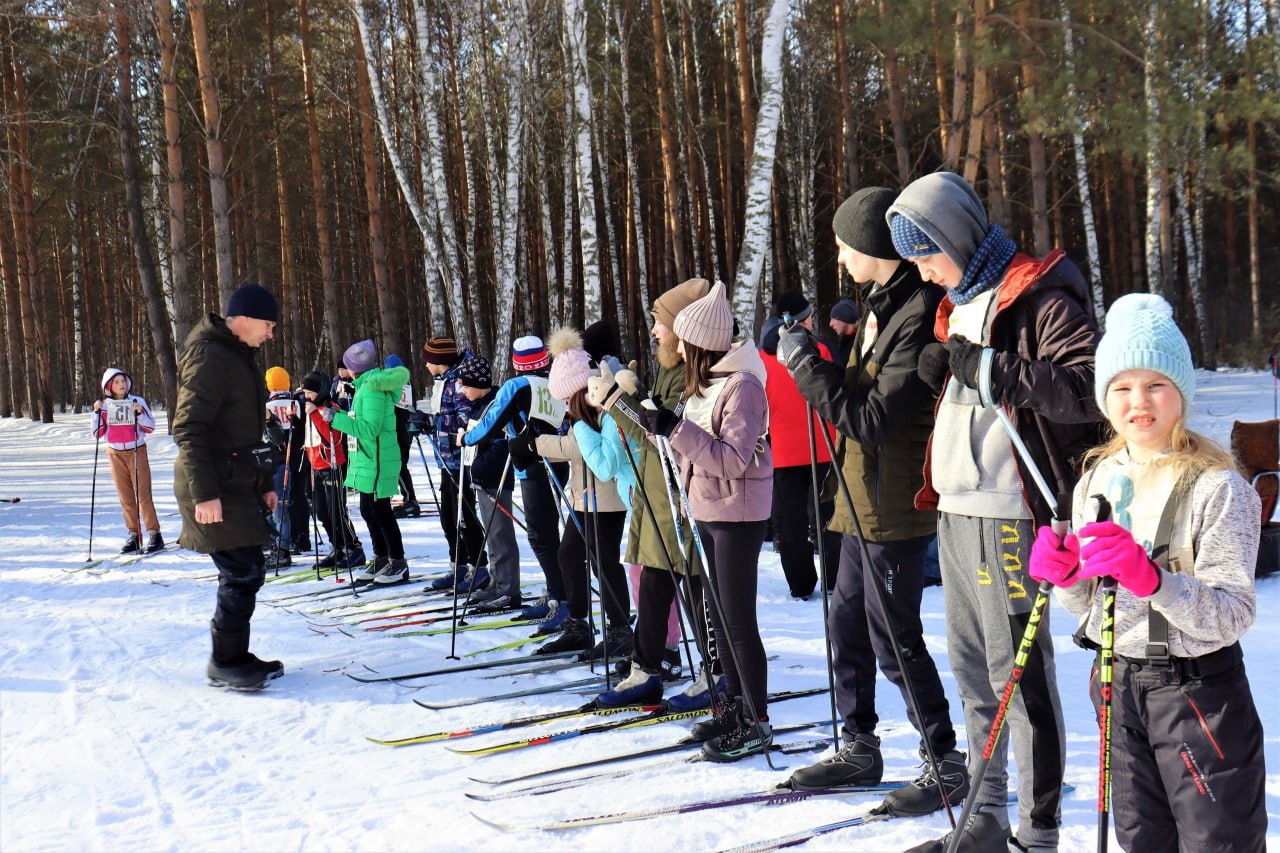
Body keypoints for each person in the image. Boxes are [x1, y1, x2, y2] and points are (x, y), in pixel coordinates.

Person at [889, 172, 1102, 853]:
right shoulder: (961, 301)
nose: (922, 270)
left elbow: (1086, 389)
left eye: (927, 252)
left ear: (956, 235)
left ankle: (1036, 833)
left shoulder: (1040, 294)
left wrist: (996, 370)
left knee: (1021, 676)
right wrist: (946, 373)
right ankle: (983, 819)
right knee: (975, 673)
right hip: (956, 509)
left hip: (1014, 512)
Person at [1028, 293, 1267, 852]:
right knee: (1140, 840)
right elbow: (1087, 606)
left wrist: (1157, 582)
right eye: (1122, 387)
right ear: (1104, 399)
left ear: (1180, 392)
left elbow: (1233, 613)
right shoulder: (1096, 481)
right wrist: (1067, 577)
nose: (1140, 401)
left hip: (1197, 694)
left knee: (1218, 842)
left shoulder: (1219, 488)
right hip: (1116, 684)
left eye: (1156, 384)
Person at [775, 187, 964, 815]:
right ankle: (859, 745)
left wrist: (807, 369)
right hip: (858, 497)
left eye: (843, 241)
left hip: (894, 505)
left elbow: (875, 418)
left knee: (893, 636)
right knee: (845, 623)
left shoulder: (917, 310)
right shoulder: (880, 305)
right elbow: (857, 396)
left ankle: (945, 761)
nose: (837, 252)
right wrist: (818, 360)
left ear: (871, 247)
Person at [620, 281, 774, 762]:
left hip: (736, 514)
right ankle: (732, 704)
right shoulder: (706, 383)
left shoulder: (742, 385)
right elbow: (688, 446)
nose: (676, 346)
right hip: (706, 510)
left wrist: (675, 428)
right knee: (719, 620)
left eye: (685, 339)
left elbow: (731, 460)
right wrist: (654, 421)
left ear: (702, 343)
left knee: (737, 621)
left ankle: (755, 719)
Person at [596, 279, 716, 708]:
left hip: (679, 497)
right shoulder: (670, 365)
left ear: (681, 326)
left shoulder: (694, 370)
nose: (654, 330)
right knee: (652, 585)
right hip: (654, 493)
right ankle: (645, 669)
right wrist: (632, 396)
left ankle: (715, 671)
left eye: (659, 322)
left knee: (697, 586)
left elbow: (661, 434)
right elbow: (655, 422)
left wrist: (617, 402)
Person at [173, 282, 283, 691]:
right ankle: (225, 661)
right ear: (246, 319)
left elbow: (247, 431)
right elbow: (188, 427)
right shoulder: (210, 356)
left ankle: (234, 656)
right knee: (241, 571)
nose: (271, 333)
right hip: (213, 484)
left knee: (247, 569)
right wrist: (205, 494)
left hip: (238, 481)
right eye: (268, 325)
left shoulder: (237, 354)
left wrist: (266, 483)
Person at [514, 329, 633, 660]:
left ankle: (620, 629)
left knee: (604, 562)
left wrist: (536, 446)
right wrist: (534, 444)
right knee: (569, 554)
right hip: (584, 496)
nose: (564, 406)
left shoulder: (602, 404)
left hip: (606, 499)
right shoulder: (583, 408)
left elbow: (583, 449)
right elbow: (573, 445)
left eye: (566, 399)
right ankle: (579, 624)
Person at [459, 335, 570, 633]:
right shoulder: (556, 382)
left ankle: (561, 599)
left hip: (533, 465)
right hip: (559, 461)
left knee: (541, 536)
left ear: (517, 362)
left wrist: (465, 438)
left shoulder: (517, 386)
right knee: (549, 531)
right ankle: (556, 593)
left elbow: (490, 422)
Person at [760, 290, 840, 599]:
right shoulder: (821, 348)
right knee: (828, 516)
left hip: (783, 452)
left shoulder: (763, 357)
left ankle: (801, 582)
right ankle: (834, 580)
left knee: (790, 522)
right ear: (805, 321)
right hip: (823, 446)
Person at [325, 340, 410, 586]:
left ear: (354, 368)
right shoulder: (364, 386)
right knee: (368, 510)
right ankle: (382, 558)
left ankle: (398, 562)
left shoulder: (371, 388)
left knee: (381, 512)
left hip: (378, 460)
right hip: (368, 459)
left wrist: (336, 418)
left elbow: (369, 429)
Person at [455, 355, 522, 613]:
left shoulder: (495, 405)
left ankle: (508, 589)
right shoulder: (479, 405)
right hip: (483, 479)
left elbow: (501, 445)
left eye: (466, 385)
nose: (463, 390)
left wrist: (480, 468)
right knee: (492, 535)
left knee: (500, 534)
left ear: (478, 383)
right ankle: (497, 581)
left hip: (496, 478)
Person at [422, 336, 488, 591]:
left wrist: (439, 424)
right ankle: (458, 565)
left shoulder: (460, 382)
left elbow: (466, 420)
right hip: (446, 459)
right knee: (448, 516)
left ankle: (477, 567)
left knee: (464, 516)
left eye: (429, 360)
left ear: (440, 360)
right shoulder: (444, 381)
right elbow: (445, 415)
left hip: (461, 460)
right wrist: (430, 421)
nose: (426, 365)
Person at [92, 367, 163, 554]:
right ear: (109, 386)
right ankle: (134, 535)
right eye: (116, 382)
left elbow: (150, 427)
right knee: (125, 496)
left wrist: (139, 413)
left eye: (123, 381)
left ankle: (155, 534)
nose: (121, 384)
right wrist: (97, 413)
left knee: (143, 494)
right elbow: (96, 433)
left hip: (136, 450)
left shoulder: (137, 401)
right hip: (114, 453)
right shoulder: (105, 405)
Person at [299, 370, 365, 570]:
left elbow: (331, 437)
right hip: (317, 466)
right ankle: (338, 547)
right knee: (322, 511)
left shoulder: (329, 407)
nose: (306, 397)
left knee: (336, 510)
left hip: (333, 465)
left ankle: (354, 548)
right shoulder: (312, 408)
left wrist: (315, 414)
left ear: (319, 392)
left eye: (309, 392)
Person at [263, 366, 310, 569]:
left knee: (279, 504)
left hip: (276, 460)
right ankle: (300, 536)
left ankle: (280, 544)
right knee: (298, 497)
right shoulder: (297, 402)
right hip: (300, 457)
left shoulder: (268, 406)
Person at [383, 354, 421, 519]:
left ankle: (410, 500)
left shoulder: (401, 386)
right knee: (397, 467)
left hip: (399, 433)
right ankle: (407, 498)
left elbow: (402, 409)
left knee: (398, 467)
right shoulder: (403, 385)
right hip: (400, 432)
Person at [827, 297, 861, 368]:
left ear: (845, 318)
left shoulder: (860, 344)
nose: (830, 324)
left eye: (834, 318)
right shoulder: (843, 342)